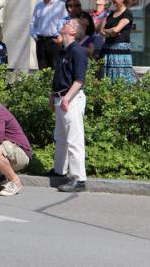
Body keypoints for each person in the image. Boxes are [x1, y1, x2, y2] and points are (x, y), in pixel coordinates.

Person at [50, 18, 88, 192]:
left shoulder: (78, 51)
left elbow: (79, 79)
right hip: (61, 97)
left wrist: (66, 98)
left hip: (71, 99)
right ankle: (59, 171)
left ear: (73, 31)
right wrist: (53, 95)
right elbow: (59, 76)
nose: (64, 24)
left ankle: (79, 179)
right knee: (60, 137)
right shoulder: (63, 50)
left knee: (74, 139)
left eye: (67, 23)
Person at [99, 0, 136, 83]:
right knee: (106, 76)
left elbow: (116, 30)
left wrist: (108, 31)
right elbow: (100, 30)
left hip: (120, 50)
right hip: (107, 48)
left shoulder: (127, 13)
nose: (113, 0)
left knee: (120, 78)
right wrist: (106, 13)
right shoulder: (111, 13)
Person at [30, 0, 67, 69]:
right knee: (42, 67)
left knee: (55, 67)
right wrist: (35, 36)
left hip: (54, 40)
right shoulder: (38, 6)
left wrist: (61, 36)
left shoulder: (61, 5)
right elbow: (32, 23)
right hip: (40, 40)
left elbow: (65, 22)